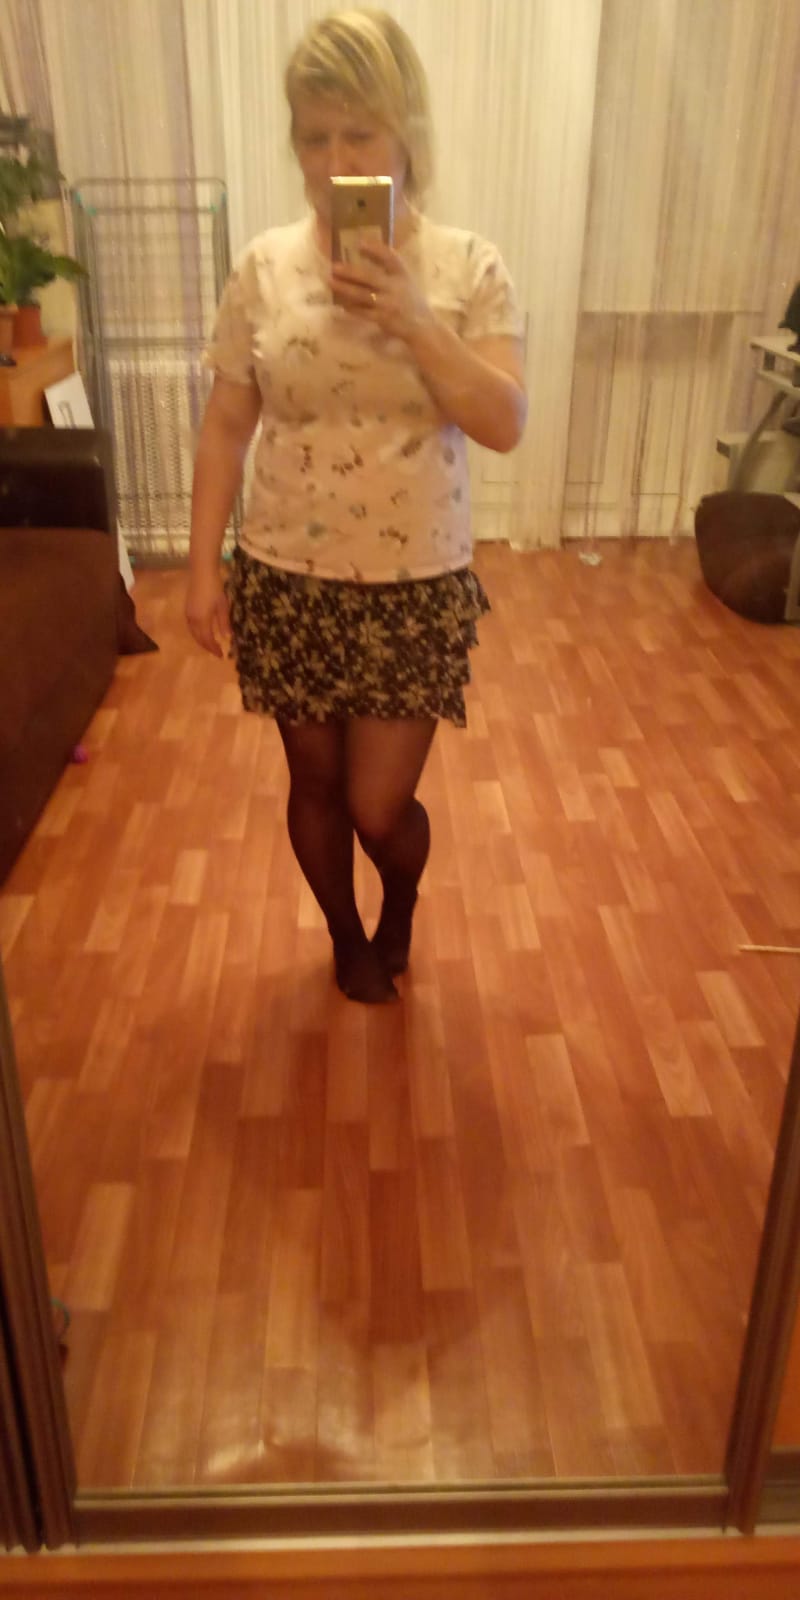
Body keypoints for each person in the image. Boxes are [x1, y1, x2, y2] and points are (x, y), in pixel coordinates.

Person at [186, 7, 527, 1004]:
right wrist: (203, 569)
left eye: (358, 134)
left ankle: (400, 903)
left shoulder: (468, 268)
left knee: (379, 806)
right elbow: (225, 425)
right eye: (313, 137)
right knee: (316, 787)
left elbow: (504, 421)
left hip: (414, 583)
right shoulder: (264, 268)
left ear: (405, 135)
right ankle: (345, 936)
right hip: (287, 576)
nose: (334, 160)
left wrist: (418, 321)